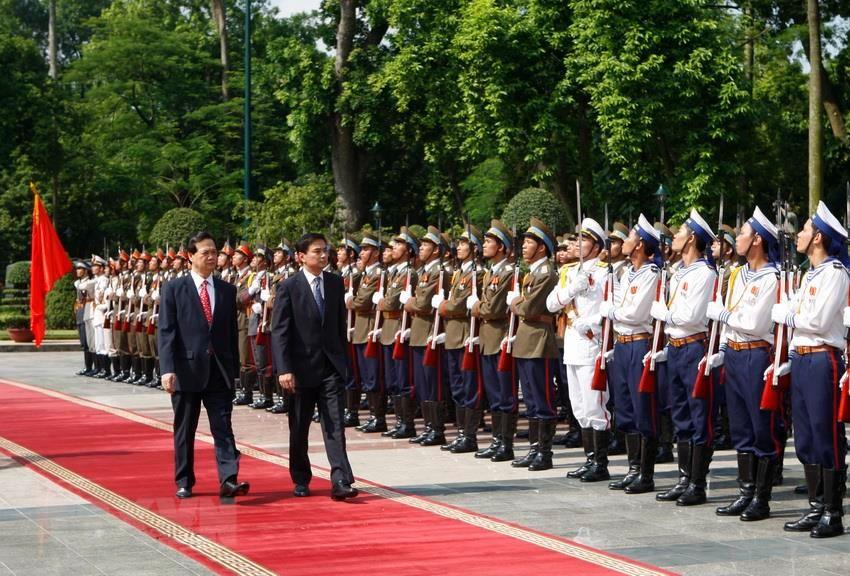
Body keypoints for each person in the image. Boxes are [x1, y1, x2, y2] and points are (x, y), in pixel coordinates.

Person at [158, 231, 249, 500]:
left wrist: (233, 371)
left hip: (218, 371)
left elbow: (231, 334)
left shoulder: (226, 289)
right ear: (190, 256)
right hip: (186, 370)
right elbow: (166, 331)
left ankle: (229, 479)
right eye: (205, 252)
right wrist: (167, 369)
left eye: (214, 252)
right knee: (185, 429)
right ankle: (184, 480)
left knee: (223, 426)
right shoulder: (174, 289)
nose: (212, 257)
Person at [706, 207, 783, 521]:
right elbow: (734, 319)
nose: (736, 239)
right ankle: (745, 491)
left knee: (760, 426)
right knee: (740, 427)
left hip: (755, 353)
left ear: (757, 241)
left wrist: (721, 315)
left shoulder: (771, 277)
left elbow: (752, 321)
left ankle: (761, 498)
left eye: (742, 234)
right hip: (736, 353)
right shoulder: (738, 274)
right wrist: (723, 345)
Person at [777, 201, 848, 538]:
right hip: (804, 358)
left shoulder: (835, 273)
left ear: (818, 237)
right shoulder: (809, 273)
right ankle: (816, 506)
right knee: (804, 435)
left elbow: (816, 321)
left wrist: (788, 316)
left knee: (826, 435)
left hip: (822, 359)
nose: (799, 235)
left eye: (805, 229)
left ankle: (833, 513)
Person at [271, 232, 358, 501]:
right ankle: (300, 477)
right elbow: (280, 332)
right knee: (299, 427)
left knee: (334, 424)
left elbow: (339, 326)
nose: (323, 255)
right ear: (301, 257)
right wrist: (284, 369)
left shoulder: (334, 283)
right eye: (317, 251)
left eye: (325, 251)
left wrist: (344, 362)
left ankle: (341, 479)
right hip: (300, 370)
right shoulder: (288, 287)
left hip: (330, 367)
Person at [650, 209, 717, 506]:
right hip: (676, 346)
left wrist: (664, 314)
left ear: (691, 238)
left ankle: (697, 482)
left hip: (693, 346)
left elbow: (691, 316)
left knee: (698, 414)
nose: (673, 237)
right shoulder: (678, 271)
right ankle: (684, 477)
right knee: (680, 414)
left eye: (678, 233)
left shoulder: (704, 273)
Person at [547, 217, 614, 481]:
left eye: (583, 239)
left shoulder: (607, 273)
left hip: (592, 345)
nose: (577, 243)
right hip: (573, 348)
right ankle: (589, 460)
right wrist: (574, 287)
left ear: (596, 245)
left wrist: (594, 323)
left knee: (595, 405)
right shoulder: (570, 272)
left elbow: (613, 309)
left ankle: (601, 463)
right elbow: (552, 304)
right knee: (578, 407)